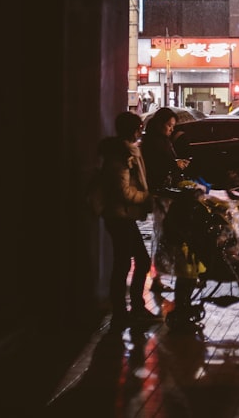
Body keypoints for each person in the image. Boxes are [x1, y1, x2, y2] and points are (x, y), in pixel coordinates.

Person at [97, 111, 160, 327]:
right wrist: (144, 197)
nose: (140, 132)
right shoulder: (121, 156)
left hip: (123, 215)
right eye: (139, 128)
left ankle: (130, 309)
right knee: (128, 263)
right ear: (133, 130)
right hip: (119, 215)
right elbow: (121, 190)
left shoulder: (126, 152)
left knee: (129, 262)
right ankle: (126, 312)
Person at [141, 107, 194, 293]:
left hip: (166, 192)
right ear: (159, 124)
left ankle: (159, 277)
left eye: (173, 126)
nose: (171, 129)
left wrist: (176, 163)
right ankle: (157, 278)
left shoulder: (162, 140)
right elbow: (157, 164)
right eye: (169, 125)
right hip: (160, 193)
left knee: (163, 236)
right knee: (162, 235)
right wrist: (175, 164)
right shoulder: (153, 141)